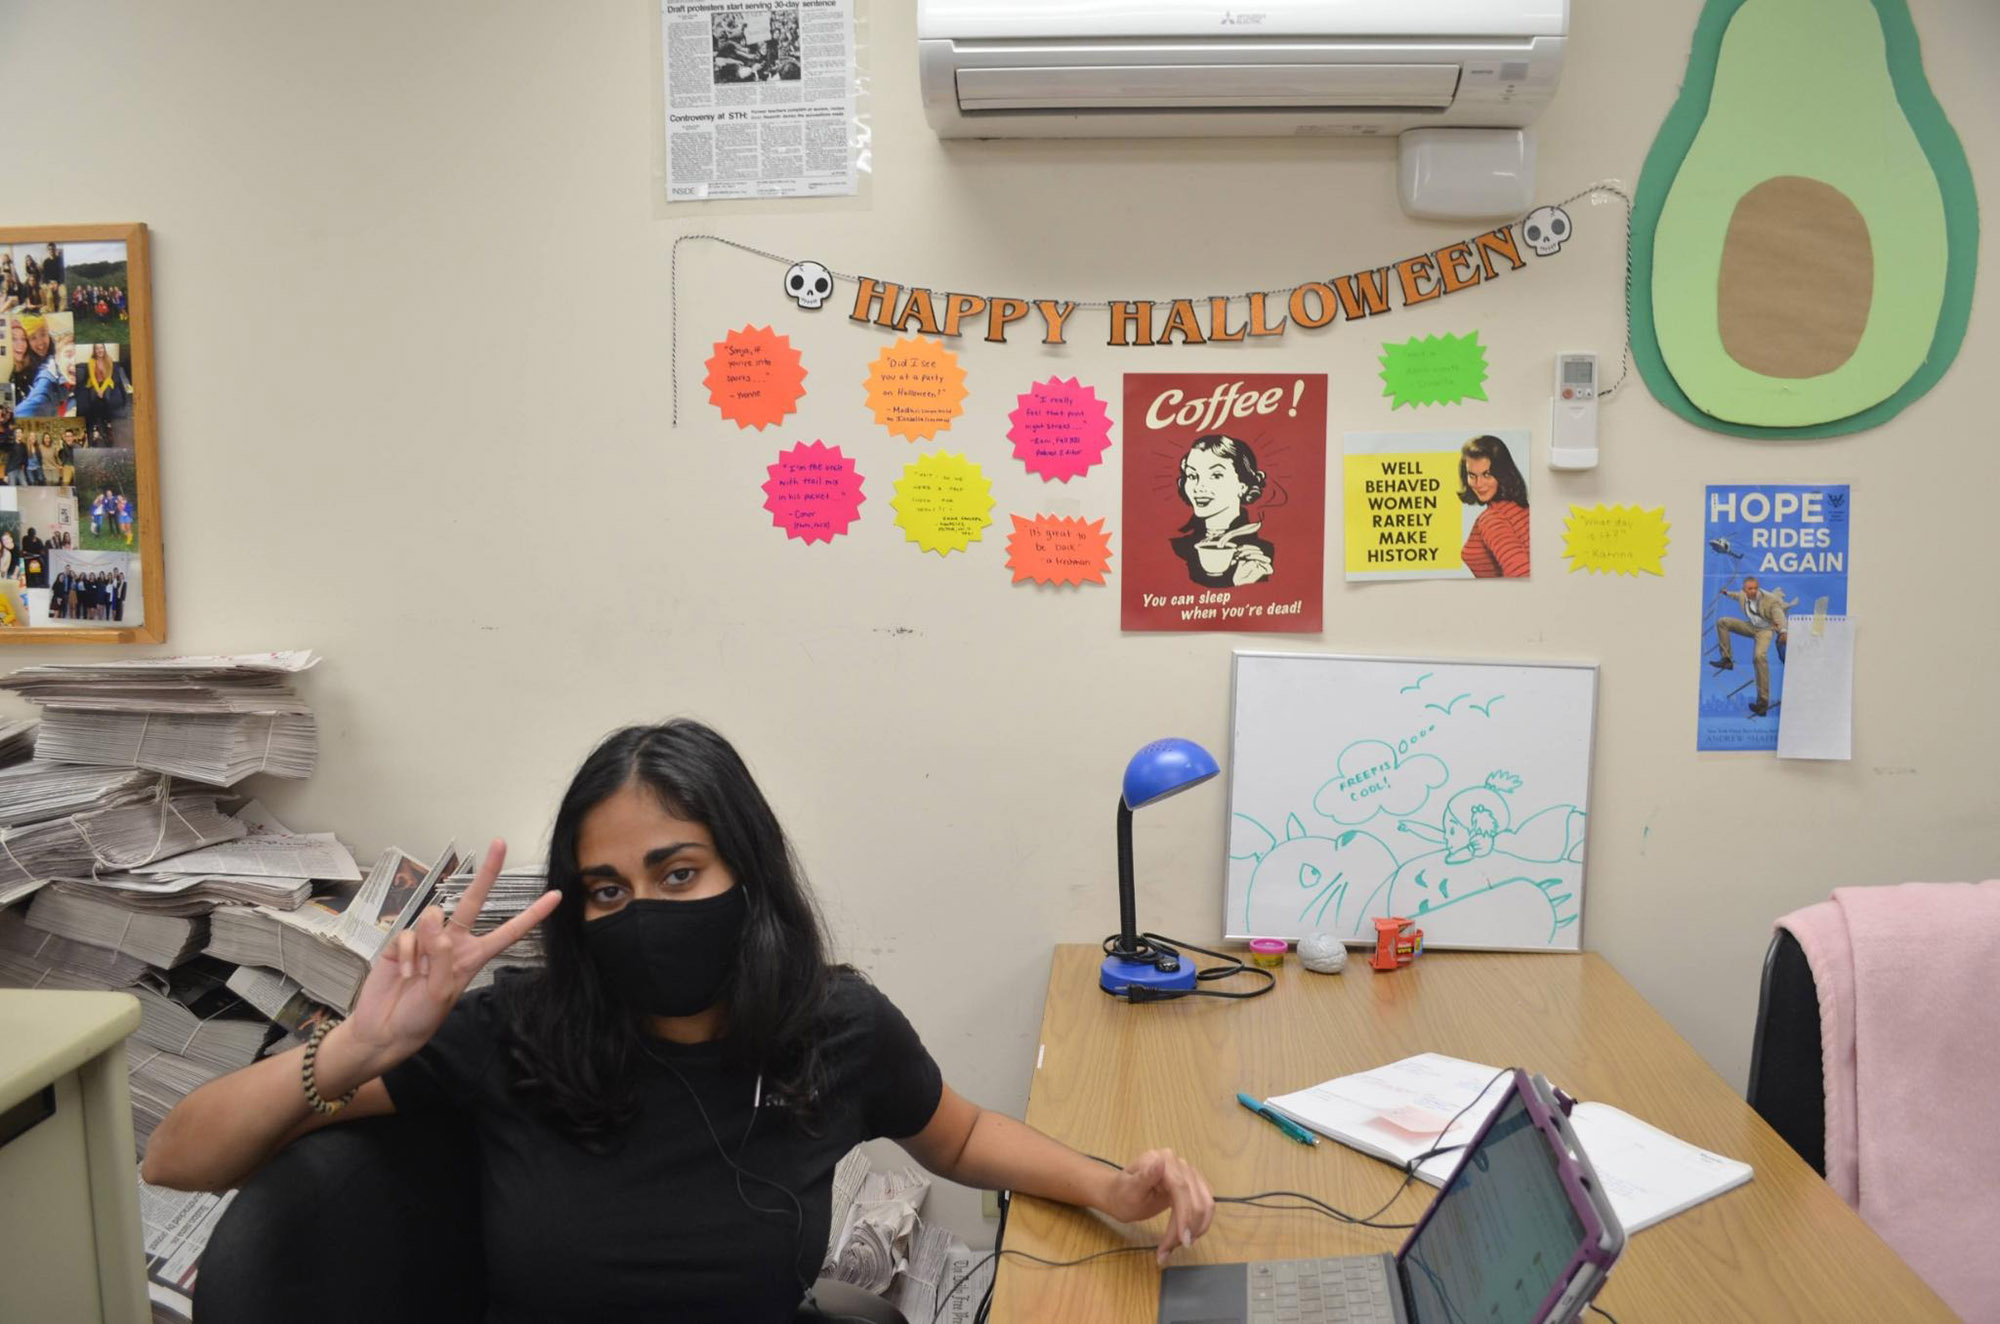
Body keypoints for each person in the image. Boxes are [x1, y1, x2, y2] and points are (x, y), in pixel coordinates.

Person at [141, 720, 1218, 1321]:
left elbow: (962, 1133)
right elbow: (178, 1159)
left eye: (678, 870)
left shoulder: (830, 1023)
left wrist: (1106, 1185)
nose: (640, 908)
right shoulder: (514, 1034)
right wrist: (361, 1045)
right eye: (606, 888)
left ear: (745, 872)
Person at [1170, 434, 1276, 589]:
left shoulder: (1264, 552)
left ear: (1243, 485)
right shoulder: (1176, 549)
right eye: (1192, 475)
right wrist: (1234, 583)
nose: (1199, 487)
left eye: (1216, 475)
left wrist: (1248, 584)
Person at [1713, 576, 1791, 716]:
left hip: (1765, 630)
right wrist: (1727, 593)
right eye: (1750, 589)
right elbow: (1737, 596)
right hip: (1751, 627)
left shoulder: (1770, 600)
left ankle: (1762, 704)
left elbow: (1779, 616)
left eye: (1756, 588)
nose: (1754, 591)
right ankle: (1727, 660)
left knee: (1759, 657)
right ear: (1745, 589)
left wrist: (1783, 632)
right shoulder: (1743, 594)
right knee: (1722, 622)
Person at [1456, 434, 1530, 578]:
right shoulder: (1519, 508)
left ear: (1502, 473)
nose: (1478, 484)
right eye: (1472, 475)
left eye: (1487, 474)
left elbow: (1521, 571)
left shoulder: (1492, 519)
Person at [9, 313, 67, 418]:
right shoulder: (23, 362)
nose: (40, 342)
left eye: (43, 334)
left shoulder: (59, 352)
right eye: (33, 338)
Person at [74, 344, 130, 446]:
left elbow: (108, 377)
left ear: (104, 349)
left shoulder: (109, 360)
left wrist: (102, 389)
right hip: (94, 383)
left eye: (101, 348)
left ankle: (107, 421)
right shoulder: (91, 361)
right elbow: (92, 377)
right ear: (94, 350)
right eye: (97, 348)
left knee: (107, 398)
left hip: (106, 383)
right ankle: (95, 423)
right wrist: (97, 389)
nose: (99, 350)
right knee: (92, 398)